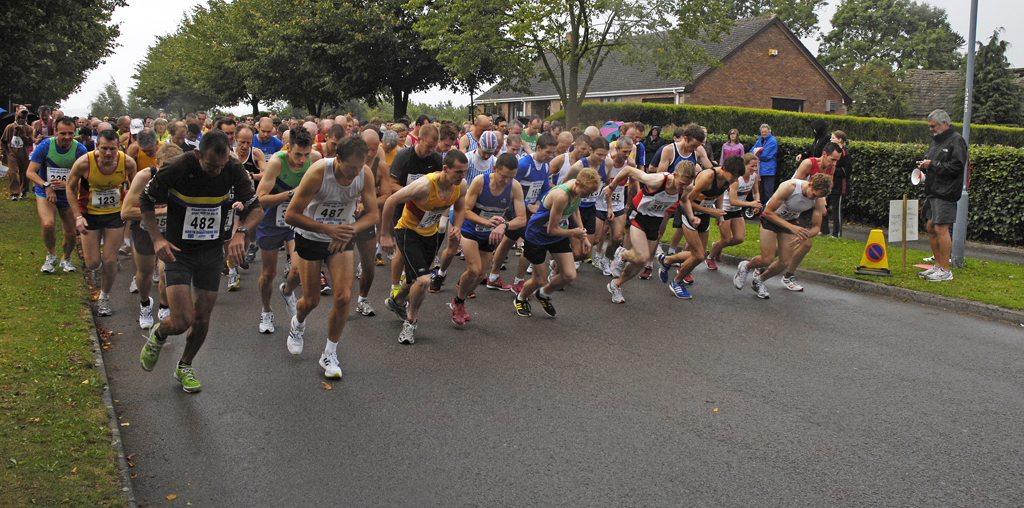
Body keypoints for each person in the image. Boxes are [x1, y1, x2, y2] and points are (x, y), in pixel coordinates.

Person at [137, 130, 263, 392]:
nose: (218, 171)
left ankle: (185, 365)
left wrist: (241, 233)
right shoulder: (177, 166)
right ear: (197, 154)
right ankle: (159, 334)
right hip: (178, 251)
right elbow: (145, 199)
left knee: (202, 318)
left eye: (221, 165)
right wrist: (157, 238)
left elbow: (256, 209)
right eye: (211, 165)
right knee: (182, 320)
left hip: (211, 252)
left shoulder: (233, 167)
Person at [283, 136, 379, 378]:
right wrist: (328, 229)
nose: (355, 174)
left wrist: (348, 230)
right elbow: (291, 215)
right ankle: (298, 323)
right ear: (337, 159)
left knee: (344, 297)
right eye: (350, 168)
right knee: (312, 300)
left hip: (341, 239)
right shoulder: (318, 173)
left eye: (359, 167)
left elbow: (373, 215)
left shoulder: (363, 173)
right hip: (311, 237)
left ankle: (329, 353)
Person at [380, 150, 468, 344]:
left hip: (430, 234)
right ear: (445, 169)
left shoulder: (460, 185)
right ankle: (410, 323)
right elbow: (390, 201)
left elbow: (461, 207)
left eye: (465, 172)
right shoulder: (424, 185)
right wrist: (385, 234)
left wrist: (458, 227)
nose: (462, 176)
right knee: (424, 280)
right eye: (458, 172)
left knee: (414, 280)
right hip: (408, 232)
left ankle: (397, 301)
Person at [65, 130, 138, 316]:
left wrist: (129, 205)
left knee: (110, 259)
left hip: (114, 214)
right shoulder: (84, 162)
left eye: (112, 149)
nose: (108, 153)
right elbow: (70, 187)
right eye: (104, 148)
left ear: (118, 147)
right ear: (97, 146)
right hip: (89, 214)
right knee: (92, 262)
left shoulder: (127, 162)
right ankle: (97, 270)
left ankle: (104, 298)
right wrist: (77, 216)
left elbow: (135, 186)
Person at [255, 128, 321, 332]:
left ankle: (288, 290)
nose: (302, 160)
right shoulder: (276, 161)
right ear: (288, 148)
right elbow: (261, 199)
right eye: (297, 155)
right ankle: (266, 310)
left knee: (297, 269)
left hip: (296, 220)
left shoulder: (316, 158)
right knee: (269, 273)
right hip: (272, 221)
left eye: (306, 155)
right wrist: (292, 193)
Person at [605, 161, 696, 303]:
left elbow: (684, 201)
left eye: (687, 184)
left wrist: (691, 217)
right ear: (675, 175)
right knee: (643, 257)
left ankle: (616, 284)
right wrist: (611, 187)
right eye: (682, 183)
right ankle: (622, 254)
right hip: (638, 216)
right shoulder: (657, 180)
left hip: (655, 221)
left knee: (642, 262)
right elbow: (628, 170)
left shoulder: (687, 187)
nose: (683, 187)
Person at [451, 153, 527, 324]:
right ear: (495, 169)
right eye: (503, 176)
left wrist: (504, 225)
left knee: (480, 276)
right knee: (474, 270)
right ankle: (459, 302)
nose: (507, 180)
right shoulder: (480, 181)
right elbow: (466, 210)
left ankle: (460, 296)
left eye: (511, 177)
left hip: (490, 233)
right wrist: (486, 222)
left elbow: (522, 218)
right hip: (471, 229)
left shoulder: (514, 187)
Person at [512, 168, 599, 317]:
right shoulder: (561, 196)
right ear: (577, 183)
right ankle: (520, 298)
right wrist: (574, 233)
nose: (587, 196)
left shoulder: (578, 189)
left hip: (558, 235)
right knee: (539, 279)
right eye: (586, 193)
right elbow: (551, 230)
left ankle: (543, 294)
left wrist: (583, 236)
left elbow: (575, 210)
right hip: (538, 236)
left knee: (569, 275)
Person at [656, 156, 744, 299]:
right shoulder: (707, 177)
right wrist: (712, 211)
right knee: (698, 255)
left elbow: (719, 193)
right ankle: (676, 282)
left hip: (704, 215)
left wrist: (719, 213)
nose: (735, 180)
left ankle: (667, 260)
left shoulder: (727, 180)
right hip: (689, 213)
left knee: (698, 256)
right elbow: (687, 201)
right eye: (734, 176)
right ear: (725, 169)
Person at [733, 173, 832, 299]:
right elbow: (768, 212)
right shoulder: (790, 187)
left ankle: (759, 281)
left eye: (818, 197)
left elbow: (816, 228)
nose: (814, 199)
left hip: (789, 221)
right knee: (766, 259)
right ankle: (745, 266)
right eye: (814, 195)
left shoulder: (819, 200)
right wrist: (792, 227)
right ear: (810, 184)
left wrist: (804, 234)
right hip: (771, 218)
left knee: (785, 262)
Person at [486, 133, 559, 294]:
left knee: (508, 241)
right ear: (538, 148)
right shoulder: (524, 164)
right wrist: (528, 206)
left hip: (530, 209)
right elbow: (509, 187)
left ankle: (493, 278)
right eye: (548, 152)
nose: (551, 156)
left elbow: (545, 190)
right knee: (531, 242)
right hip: (516, 208)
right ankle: (518, 282)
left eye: (553, 153)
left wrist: (539, 205)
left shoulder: (546, 165)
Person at [121, 143, 183, 328]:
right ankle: (145, 304)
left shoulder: (185, 177)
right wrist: (158, 211)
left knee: (166, 272)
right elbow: (125, 213)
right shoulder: (144, 177)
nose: (170, 173)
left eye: (175, 168)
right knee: (145, 273)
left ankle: (164, 307)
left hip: (169, 231)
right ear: (157, 163)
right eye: (165, 168)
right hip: (144, 229)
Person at [428, 130, 498, 292]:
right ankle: (441, 273)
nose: (487, 156)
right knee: (452, 248)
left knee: (477, 255)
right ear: (478, 145)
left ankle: (465, 282)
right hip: (461, 207)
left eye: (490, 153)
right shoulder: (468, 159)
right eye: (485, 152)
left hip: (480, 212)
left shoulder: (494, 161)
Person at [387, 124, 444, 299]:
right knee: (401, 252)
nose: (431, 151)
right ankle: (395, 286)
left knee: (418, 250)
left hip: (424, 212)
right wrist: (411, 195)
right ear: (418, 140)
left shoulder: (436, 159)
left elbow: (441, 183)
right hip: (403, 208)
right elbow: (391, 185)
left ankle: (408, 280)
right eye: (428, 147)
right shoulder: (404, 157)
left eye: (434, 147)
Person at [25, 116, 87, 273]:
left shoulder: (80, 150)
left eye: (70, 133)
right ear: (55, 132)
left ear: (75, 133)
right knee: (48, 224)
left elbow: (87, 179)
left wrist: (68, 185)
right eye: (63, 133)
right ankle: (51, 255)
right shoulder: (46, 146)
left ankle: (66, 259)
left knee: (71, 231)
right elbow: (30, 172)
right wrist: (47, 186)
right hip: (46, 190)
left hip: (68, 193)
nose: (67, 137)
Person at [778, 142, 842, 291]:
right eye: (833, 159)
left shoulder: (831, 169)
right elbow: (794, 185)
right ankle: (767, 267)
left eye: (837, 160)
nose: (834, 163)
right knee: (796, 244)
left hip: (809, 204)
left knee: (803, 243)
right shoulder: (808, 163)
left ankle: (786, 274)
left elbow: (827, 188)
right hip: (793, 205)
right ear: (824, 154)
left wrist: (823, 202)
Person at [916, 109, 967, 282]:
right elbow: (933, 161)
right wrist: (924, 164)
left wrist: (934, 165)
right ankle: (937, 266)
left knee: (941, 229)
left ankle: (946, 270)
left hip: (946, 191)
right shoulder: (936, 141)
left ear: (944, 123)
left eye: (933, 126)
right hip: (933, 189)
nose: (931, 129)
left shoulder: (956, 140)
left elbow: (958, 167)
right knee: (931, 227)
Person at [351, 128, 392, 316]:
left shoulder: (381, 166)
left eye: (375, 149)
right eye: (367, 149)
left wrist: (368, 203)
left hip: (366, 219)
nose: (370, 153)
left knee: (368, 264)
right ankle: (340, 302)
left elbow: (386, 196)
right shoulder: (347, 160)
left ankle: (362, 300)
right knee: (338, 262)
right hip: (344, 218)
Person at [707, 153, 760, 266]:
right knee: (725, 240)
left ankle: (717, 245)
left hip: (737, 209)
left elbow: (756, 192)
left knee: (739, 238)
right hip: (725, 208)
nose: (754, 169)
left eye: (756, 166)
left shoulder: (754, 177)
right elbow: (733, 201)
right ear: (744, 165)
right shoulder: (736, 179)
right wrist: (751, 204)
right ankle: (710, 257)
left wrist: (757, 202)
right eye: (752, 166)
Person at [2, 106, 34, 200]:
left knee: (24, 173)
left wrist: (22, 133)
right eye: (20, 118)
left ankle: (24, 191)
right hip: (12, 153)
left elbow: (29, 142)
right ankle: (14, 193)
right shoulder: (10, 127)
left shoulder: (29, 128)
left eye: (23, 118)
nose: (21, 120)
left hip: (24, 153)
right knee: (12, 172)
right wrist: (2, 152)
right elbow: (4, 140)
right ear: (16, 117)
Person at [825, 130, 851, 238]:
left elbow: (847, 170)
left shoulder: (845, 154)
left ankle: (837, 234)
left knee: (836, 211)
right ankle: (824, 230)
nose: (831, 139)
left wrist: (834, 170)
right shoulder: (830, 151)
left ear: (840, 140)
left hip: (839, 186)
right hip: (829, 184)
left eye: (833, 137)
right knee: (823, 206)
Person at [752, 124, 778, 204]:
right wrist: (759, 152)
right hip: (759, 170)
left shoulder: (772, 141)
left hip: (769, 171)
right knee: (760, 192)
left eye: (765, 132)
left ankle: (767, 211)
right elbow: (751, 151)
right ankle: (760, 210)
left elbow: (766, 155)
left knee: (768, 193)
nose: (764, 133)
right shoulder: (759, 141)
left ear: (769, 132)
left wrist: (757, 154)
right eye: (762, 132)